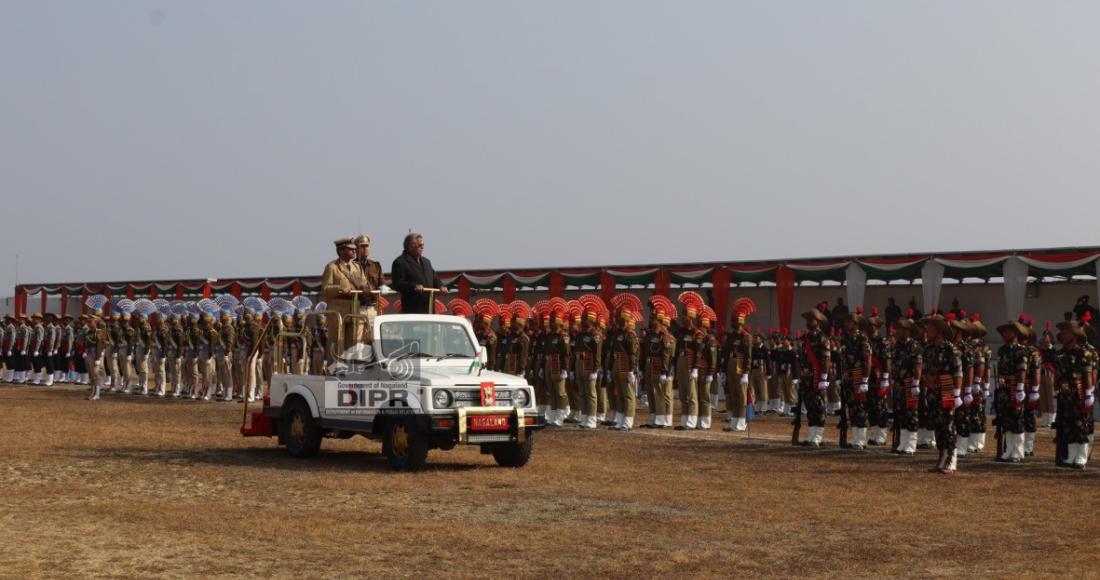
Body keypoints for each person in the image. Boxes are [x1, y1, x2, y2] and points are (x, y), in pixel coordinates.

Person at [321, 237, 372, 358]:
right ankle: (334, 372)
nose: (355, 251)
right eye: (351, 249)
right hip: (338, 309)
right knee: (337, 343)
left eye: (355, 249)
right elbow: (325, 289)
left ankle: (351, 372)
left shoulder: (357, 267)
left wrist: (366, 287)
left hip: (354, 308)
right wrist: (339, 288)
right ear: (341, 251)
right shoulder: (332, 267)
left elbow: (364, 283)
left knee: (354, 343)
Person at [390, 232, 448, 315]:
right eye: (420, 245)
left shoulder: (426, 262)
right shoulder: (400, 262)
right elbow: (397, 284)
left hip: (429, 308)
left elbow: (434, 277)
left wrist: (441, 286)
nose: (423, 247)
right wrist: (414, 286)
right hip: (412, 309)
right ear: (411, 245)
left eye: (423, 244)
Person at [355, 234, 384, 328]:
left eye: (367, 246)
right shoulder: (351, 266)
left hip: (373, 307)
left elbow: (382, 284)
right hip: (357, 307)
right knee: (357, 339)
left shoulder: (375, 266)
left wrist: (383, 289)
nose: (365, 248)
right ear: (355, 249)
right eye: (362, 246)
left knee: (374, 338)